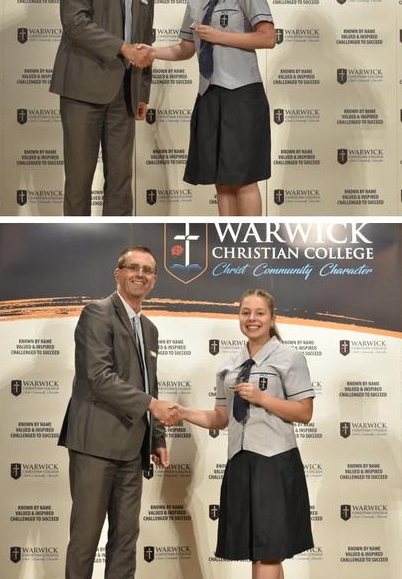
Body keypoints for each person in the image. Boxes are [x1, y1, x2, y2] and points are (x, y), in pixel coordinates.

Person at [58, 245, 181, 578]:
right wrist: (152, 406)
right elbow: (98, 377)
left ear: (154, 280)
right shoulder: (97, 313)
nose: (140, 274)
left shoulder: (150, 329)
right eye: (133, 267)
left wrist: (157, 436)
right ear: (118, 273)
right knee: (85, 539)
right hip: (94, 445)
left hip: (132, 448)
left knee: (126, 540)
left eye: (148, 270)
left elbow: (148, 385)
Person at [176, 289, 315, 578]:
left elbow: (304, 412)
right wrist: (184, 413)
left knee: (268, 552)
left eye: (260, 313)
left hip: (274, 462)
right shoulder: (229, 364)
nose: (252, 319)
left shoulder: (290, 358)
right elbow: (221, 418)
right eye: (245, 312)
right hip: (239, 461)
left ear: (272, 318)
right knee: (259, 552)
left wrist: (263, 398)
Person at [147, 0, 276, 216]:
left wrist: (220, 36)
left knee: (243, 179)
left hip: (242, 94)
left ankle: (249, 244)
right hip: (209, 96)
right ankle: (228, 240)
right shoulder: (196, 1)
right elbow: (186, 48)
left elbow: (268, 37)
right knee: (222, 182)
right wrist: (152, 52)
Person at [49, 0, 156, 216]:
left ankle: (120, 240)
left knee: (121, 182)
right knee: (79, 181)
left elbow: (144, 39)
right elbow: (74, 22)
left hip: (125, 93)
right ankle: (73, 248)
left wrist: (142, 91)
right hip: (83, 86)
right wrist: (121, 48)